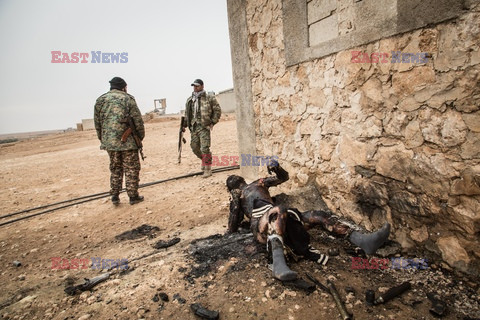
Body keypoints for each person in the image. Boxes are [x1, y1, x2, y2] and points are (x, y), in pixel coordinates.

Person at [226, 160, 391, 281]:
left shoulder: (258, 183)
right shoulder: (238, 197)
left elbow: (283, 177)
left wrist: (277, 167)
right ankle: (278, 263)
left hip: (284, 218)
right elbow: (232, 227)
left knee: (318, 214)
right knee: (279, 210)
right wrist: (235, 203)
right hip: (263, 225)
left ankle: (362, 240)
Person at [94, 77, 145, 205]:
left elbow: (97, 123)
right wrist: (140, 137)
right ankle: (133, 196)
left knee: (115, 168)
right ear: (123, 87)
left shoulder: (101, 100)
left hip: (110, 143)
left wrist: (104, 139)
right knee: (131, 168)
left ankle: (115, 196)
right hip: (128, 143)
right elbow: (138, 121)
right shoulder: (128, 99)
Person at [183, 79, 222, 178]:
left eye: (197, 86)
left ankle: (208, 168)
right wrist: (184, 125)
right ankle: (204, 160)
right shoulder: (190, 100)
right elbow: (187, 114)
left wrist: (213, 122)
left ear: (202, 86)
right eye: (194, 86)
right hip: (194, 127)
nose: (195, 88)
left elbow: (217, 110)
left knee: (204, 148)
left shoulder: (209, 98)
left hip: (204, 126)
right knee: (194, 147)